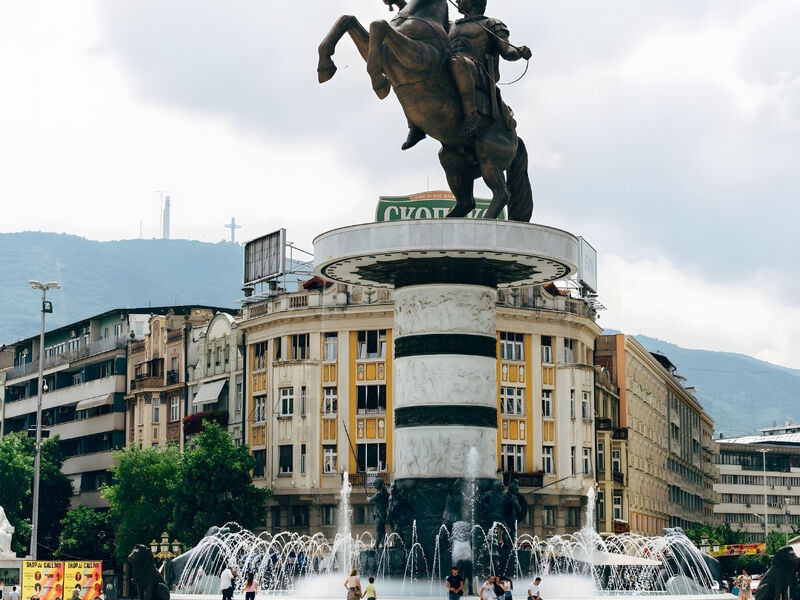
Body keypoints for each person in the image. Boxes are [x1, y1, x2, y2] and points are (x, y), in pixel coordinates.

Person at [401, 0, 531, 149]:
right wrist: (401, 4)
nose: (457, 1)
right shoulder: (449, 25)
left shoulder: (491, 24)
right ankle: (415, 125)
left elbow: (507, 51)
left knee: (457, 61)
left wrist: (519, 52)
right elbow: (420, 21)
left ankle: (471, 115)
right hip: (449, 66)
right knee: (413, 66)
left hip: (478, 72)